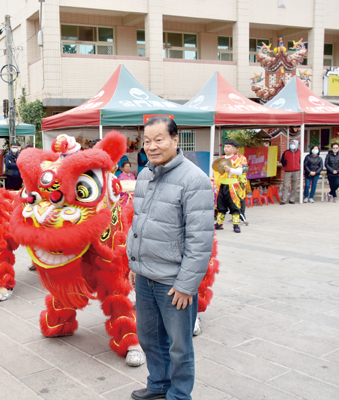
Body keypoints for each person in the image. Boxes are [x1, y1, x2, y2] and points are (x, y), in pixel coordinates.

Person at [127, 116, 214, 400]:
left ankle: (178, 394)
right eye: (147, 141)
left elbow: (200, 240)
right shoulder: (144, 175)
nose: (152, 146)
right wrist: (134, 263)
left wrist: (187, 284)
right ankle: (159, 386)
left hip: (174, 283)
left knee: (179, 346)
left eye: (159, 139)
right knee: (150, 339)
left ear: (175, 140)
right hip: (145, 276)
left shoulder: (194, 180)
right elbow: (137, 222)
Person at [214, 139, 248, 233]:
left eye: (228, 147)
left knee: (234, 206)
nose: (226, 148)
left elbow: (240, 171)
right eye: (225, 146)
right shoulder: (221, 158)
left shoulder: (237, 159)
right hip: (222, 185)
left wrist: (230, 170)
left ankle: (236, 225)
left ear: (233, 148)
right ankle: (219, 224)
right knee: (221, 206)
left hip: (232, 186)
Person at [280, 139, 301, 205]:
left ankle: (292, 199)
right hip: (288, 171)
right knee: (285, 185)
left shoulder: (299, 152)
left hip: (296, 171)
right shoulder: (286, 152)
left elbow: (300, 161)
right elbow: (283, 160)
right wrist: (285, 166)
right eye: (291, 144)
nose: (292, 145)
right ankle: (284, 200)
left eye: (294, 144)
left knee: (294, 186)